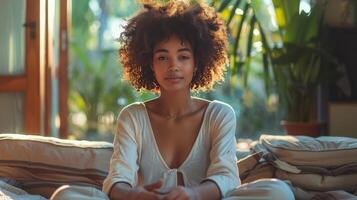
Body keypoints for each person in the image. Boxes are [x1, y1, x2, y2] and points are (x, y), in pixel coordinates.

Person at [50, 1, 295, 200]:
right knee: (65, 195)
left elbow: (227, 177)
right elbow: (116, 181)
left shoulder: (220, 114)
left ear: (197, 62)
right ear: (150, 63)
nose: (173, 66)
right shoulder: (133, 116)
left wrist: (193, 194)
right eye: (163, 57)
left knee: (278, 191)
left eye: (183, 56)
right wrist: (135, 195)